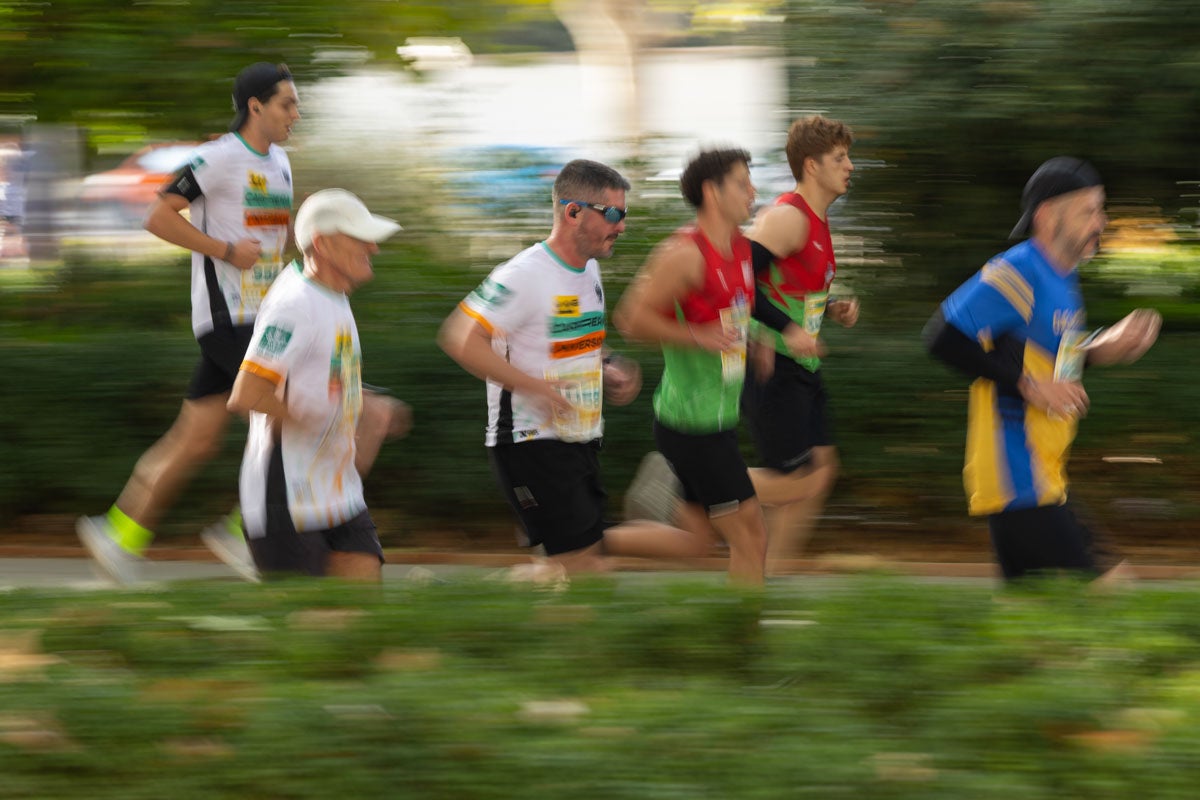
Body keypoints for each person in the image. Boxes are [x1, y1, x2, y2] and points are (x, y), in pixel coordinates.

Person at [76, 62, 300, 583]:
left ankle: (118, 532)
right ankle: (249, 533)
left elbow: (274, 238)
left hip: (263, 317)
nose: (296, 113)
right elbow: (157, 215)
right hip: (230, 318)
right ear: (256, 107)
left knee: (194, 440)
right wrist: (224, 250)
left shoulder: (282, 162)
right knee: (288, 419)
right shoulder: (217, 158)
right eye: (287, 103)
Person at [438, 159, 707, 581]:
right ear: (573, 212)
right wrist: (536, 389)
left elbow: (577, 341)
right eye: (613, 214)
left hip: (578, 438)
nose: (621, 226)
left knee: (573, 569)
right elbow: (460, 338)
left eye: (624, 214)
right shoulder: (524, 275)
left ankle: (478, 606)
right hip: (530, 443)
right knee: (585, 569)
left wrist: (610, 364)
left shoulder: (588, 270)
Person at [924, 156, 1160, 582]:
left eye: (1101, 210)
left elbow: (1049, 359)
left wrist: (1101, 348)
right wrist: (1027, 386)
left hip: (1045, 476)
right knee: (1107, 594)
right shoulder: (1019, 270)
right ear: (1049, 215)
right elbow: (941, 336)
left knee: (1039, 630)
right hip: (1017, 478)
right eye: (1090, 210)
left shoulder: (1063, 278)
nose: (1101, 222)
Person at [228, 189, 408, 580]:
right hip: (288, 501)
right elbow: (248, 393)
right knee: (312, 632)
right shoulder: (294, 304)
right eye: (360, 238)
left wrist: (365, 404)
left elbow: (318, 378)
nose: (373, 248)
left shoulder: (333, 296)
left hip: (339, 494)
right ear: (323, 244)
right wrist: (308, 415)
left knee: (363, 623)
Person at [613, 147, 769, 586]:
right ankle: (744, 643)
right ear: (711, 192)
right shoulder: (683, 254)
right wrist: (697, 336)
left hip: (713, 419)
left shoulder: (740, 249)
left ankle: (583, 539)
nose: (752, 190)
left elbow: (731, 314)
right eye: (742, 182)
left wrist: (754, 339)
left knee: (696, 543)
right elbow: (631, 319)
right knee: (751, 536)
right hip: (692, 427)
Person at [739, 114, 859, 574]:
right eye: (839, 158)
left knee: (822, 472)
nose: (850, 166)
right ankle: (694, 486)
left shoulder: (818, 221)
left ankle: (770, 577)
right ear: (812, 166)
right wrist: (787, 331)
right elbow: (739, 282)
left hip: (799, 367)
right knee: (797, 483)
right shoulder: (788, 217)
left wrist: (829, 309)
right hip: (772, 368)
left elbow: (784, 290)